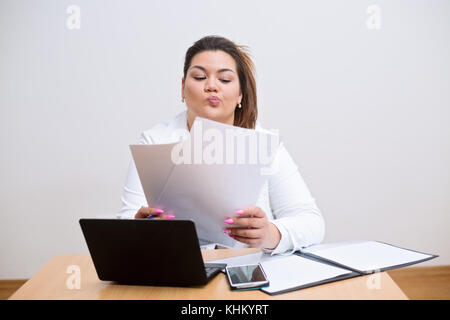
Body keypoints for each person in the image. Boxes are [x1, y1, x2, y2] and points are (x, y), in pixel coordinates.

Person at [117, 35, 325, 255]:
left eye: (224, 80)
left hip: (248, 272)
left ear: (240, 95)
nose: (212, 86)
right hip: (176, 268)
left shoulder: (263, 144)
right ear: (182, 87)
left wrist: (270, 234)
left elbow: (312, 222)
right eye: (199, 77)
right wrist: (138, 227)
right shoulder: (155, 141)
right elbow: (127, 218)